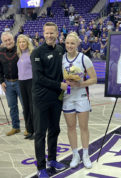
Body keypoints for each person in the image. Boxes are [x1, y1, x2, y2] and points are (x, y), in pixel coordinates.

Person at [30, 22, 68, 178]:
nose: (49, 36)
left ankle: (52, 159)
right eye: (47, 33)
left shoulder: (60, 49)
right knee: (40, 133)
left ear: (57, 33)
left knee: (54, 130)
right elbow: (38, 78)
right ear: (43, 34)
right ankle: (41, 167)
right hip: (41, 98)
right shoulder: (37, 53)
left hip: (56, 98)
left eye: (52, 33)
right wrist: (59, 84)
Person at [62, 32, 97, 169]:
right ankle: (75, 154)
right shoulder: (62, 59)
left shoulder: (84, 58)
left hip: (81, 96)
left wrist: (79, 84)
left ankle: (85, 154)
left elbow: (94, 79)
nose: (70, 46)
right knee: (71, 127)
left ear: (77, 44)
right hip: (67, 97)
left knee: (83, 127)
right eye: (67, 43)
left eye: (72, 43)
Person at [0, 32, 23, 136]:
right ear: (3, 42)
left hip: (21, 82)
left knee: (26, 106)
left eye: (9, 40)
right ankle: (15, 127)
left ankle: (30, 127)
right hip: (8, 84)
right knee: (12, 107)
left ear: (13, 39)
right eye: (5, 41)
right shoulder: (0, 52)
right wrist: (1, 81)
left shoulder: (20, 50)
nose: (8, 42)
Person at [16, 34, 35, 139]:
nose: (22, 44)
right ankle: (29, 130)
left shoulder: (32, 53)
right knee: (26, 107)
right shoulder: (19, 54)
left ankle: (36, 131)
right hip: (21, 82)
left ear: (27, 42)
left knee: (33, 107)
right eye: (20, 42)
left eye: (23, 42)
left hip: (31, 81)